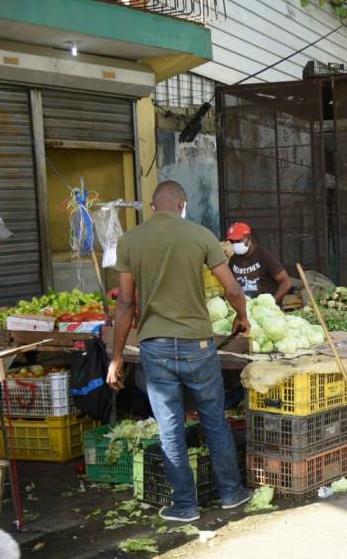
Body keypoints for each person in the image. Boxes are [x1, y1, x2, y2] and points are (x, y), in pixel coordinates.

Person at [107, 181, 253, 522]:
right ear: (182, 204)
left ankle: (185, 505)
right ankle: (232, 493)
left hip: (154, 347)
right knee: (214, 420)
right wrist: (242, 318)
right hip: (198, 345)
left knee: (170, 427)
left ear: (153, 208)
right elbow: (232, 289)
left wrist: (116, 357)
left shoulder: (130, 241)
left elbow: (126, 303)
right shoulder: (200, 235)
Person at [225, 222, 292, 302]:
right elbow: (230, 285)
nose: (235, 244)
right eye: (232, 242)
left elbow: (286, 282)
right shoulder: (233, 260)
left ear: (248, 238)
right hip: (246, 308)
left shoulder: (263, 255)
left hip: (265, 309)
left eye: (238, 240)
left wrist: (273, 302)